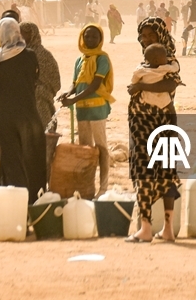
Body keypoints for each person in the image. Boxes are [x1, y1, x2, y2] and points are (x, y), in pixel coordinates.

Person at [126, 17, 183, 243]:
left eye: (151, 35)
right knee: (147, 168)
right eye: (143, 36)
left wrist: (141, 86)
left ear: (161, 35)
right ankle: (147, 226)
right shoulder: (147, 62)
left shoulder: (169, 61)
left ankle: (163, 227)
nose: (146, 39)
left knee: (161, 170)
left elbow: (170, 85)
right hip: (143, 122)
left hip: (159, 121)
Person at [0, 18, 47, 203]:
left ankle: (16, 203)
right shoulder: (30, 56)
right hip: (29, 116)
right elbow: (33, 80)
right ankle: (35, 202)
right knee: (33, 160)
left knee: (12, 161)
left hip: (6, 117)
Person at [58, 24, 114, 196]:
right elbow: (75, 83)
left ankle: (103, 187)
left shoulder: (102, 59)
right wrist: (67, 93)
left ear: (100, 39)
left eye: (94, 37)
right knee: (85, 150)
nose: (90, 40)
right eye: (87, 36)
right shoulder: (80, 60)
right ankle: (87, 187)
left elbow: (95, 85)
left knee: (101, 148)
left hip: (97, 108)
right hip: (82, 109)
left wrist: (73, 99)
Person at [19, 22, 61, 130]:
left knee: (43, 129)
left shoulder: (44, 55)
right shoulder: (18, 54)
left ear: (32, 34)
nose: (21, 36)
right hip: (23, 99)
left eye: (24, 33)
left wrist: (39, 89)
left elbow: (55, 81)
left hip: (41, 99)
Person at [131, 43, 177, 109]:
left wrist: (134, 84)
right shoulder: (163, 68)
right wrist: (174, 62)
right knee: (170, 106)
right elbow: (175, 68)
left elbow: (134, 79)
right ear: (156, 61)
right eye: (165, 57)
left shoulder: (142, 69)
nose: (166, 59)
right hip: (160, 96)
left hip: (146, 96)